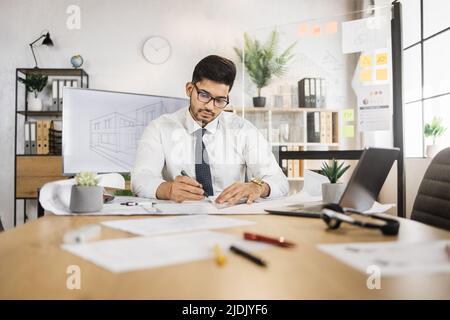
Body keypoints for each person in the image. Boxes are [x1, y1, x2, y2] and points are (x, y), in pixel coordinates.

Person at [131, 55, 288, 205]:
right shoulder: (159, 128)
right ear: (189, 89)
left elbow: (279, 180)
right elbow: (141, 178)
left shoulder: (243, 130)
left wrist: (258, 187)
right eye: (204, 95)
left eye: (220, 100)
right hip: (179, 217)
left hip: (230, 216)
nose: (210, 106)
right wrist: (168, 189)